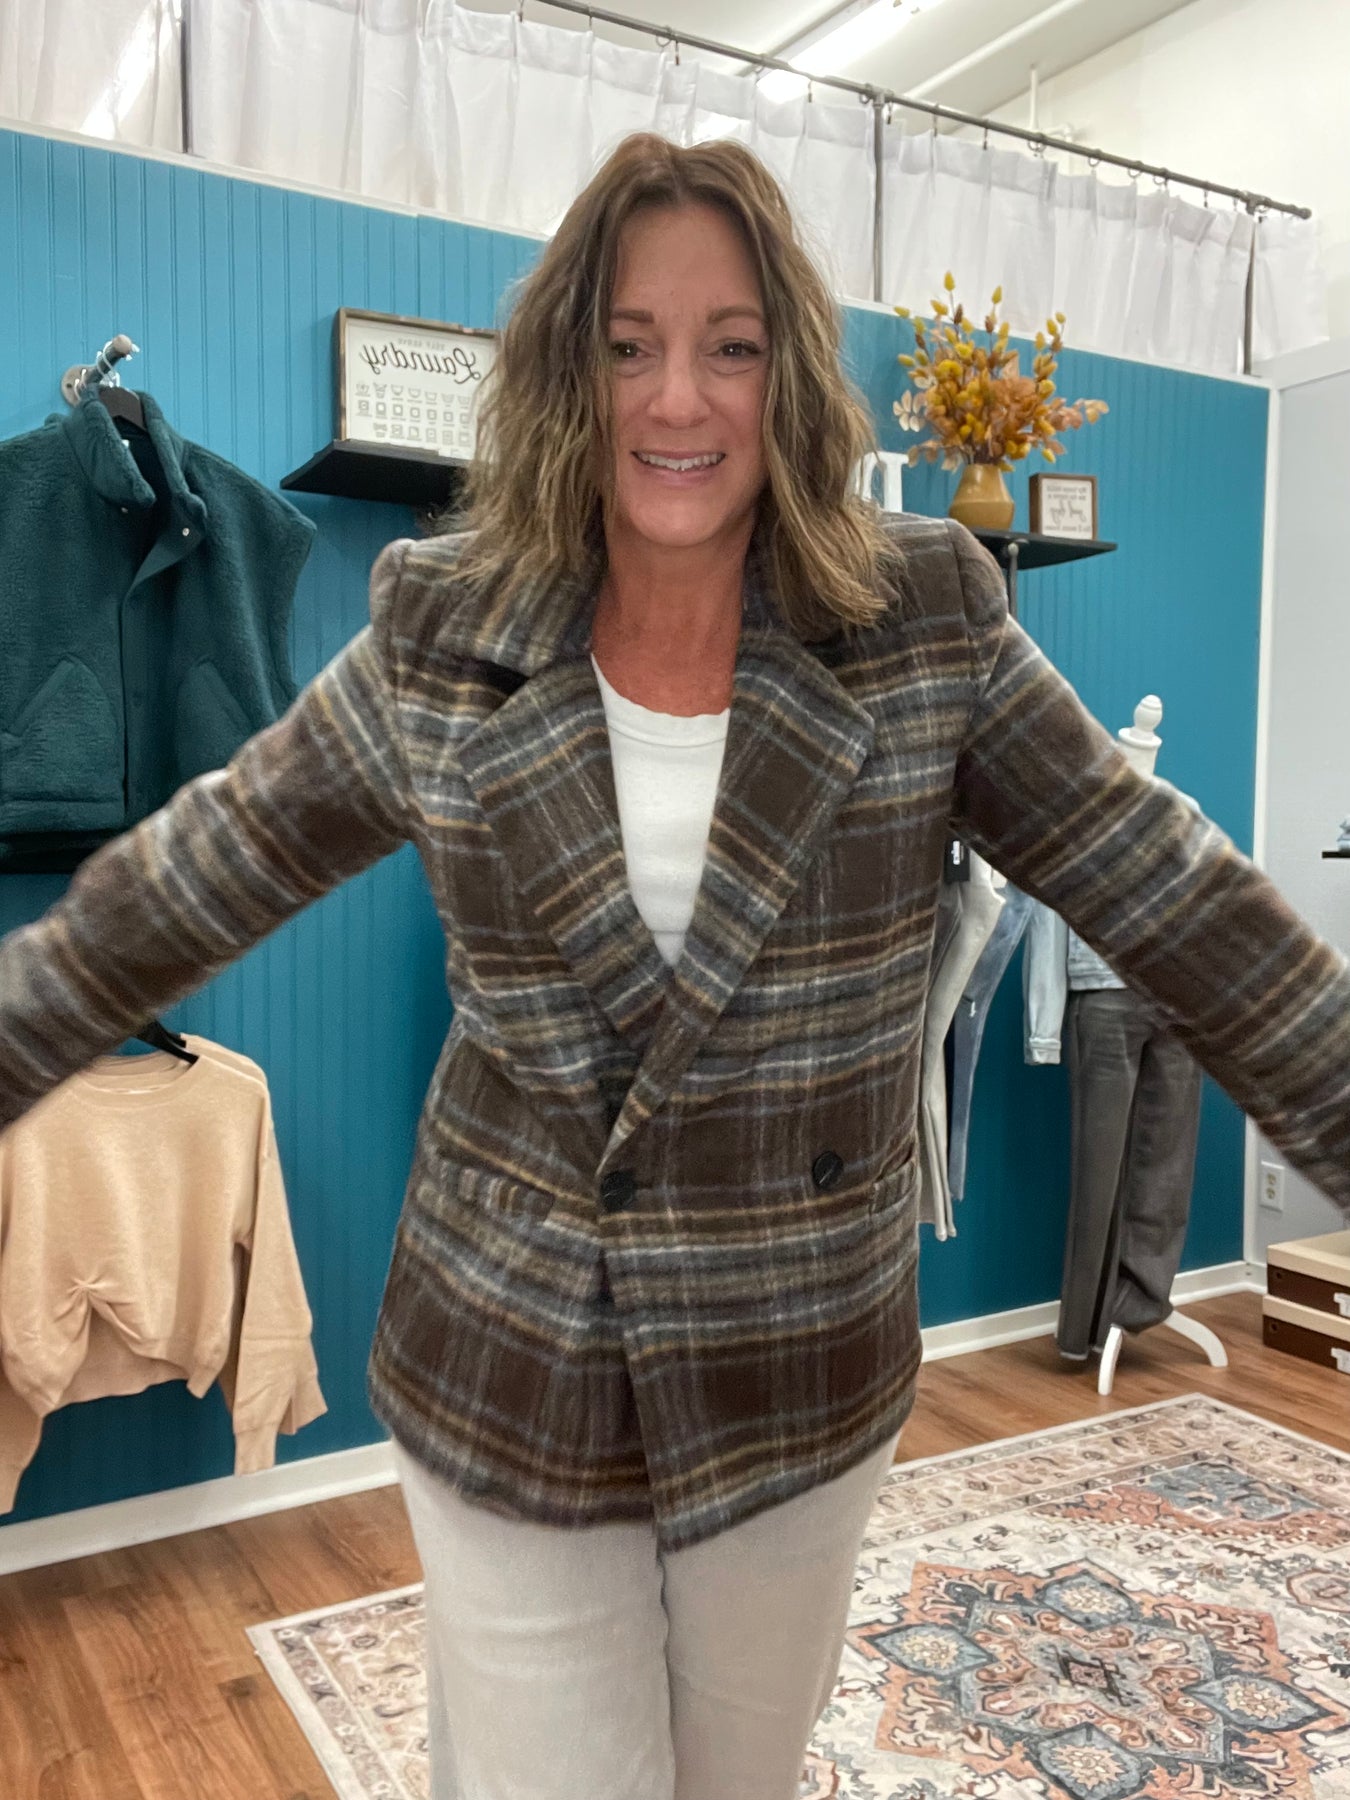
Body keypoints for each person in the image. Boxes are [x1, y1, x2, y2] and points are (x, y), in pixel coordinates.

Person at [0, 133, 1347, 1799]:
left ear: (791, 375)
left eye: (730, 346)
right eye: (628, 344)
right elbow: (192, 878)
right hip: (516, 1351)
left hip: (794, 1355)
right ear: (569, 373)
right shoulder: (447, 625)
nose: (677, 399)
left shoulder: (922, 615)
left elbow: (1177, 899)